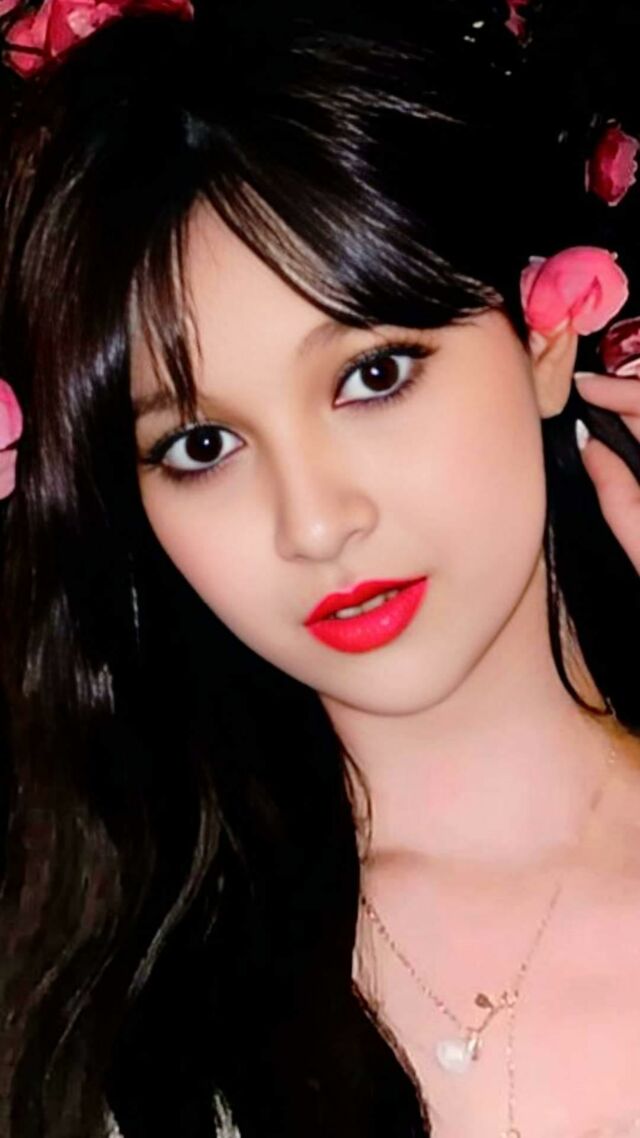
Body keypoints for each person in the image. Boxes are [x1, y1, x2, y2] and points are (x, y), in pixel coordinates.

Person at [0, 1, 639, 1137]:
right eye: (203, 445)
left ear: (543, 335)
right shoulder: (97, 995)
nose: (313, 523)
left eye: (374, 375)